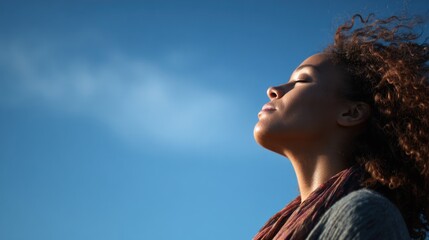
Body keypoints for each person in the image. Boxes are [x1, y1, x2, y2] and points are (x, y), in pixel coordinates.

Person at [253, 14, 429, 240]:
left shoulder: (367, 215)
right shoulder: (283, 227)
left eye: (302, 80)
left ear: (351, 113)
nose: (274, 89)